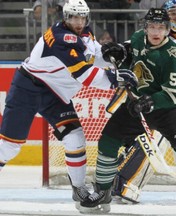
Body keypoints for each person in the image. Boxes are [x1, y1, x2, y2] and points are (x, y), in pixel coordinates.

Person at [78, 7, 176, 215]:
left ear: (168, 30)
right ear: (145, 27)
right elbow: (127, 55)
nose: (155, 31)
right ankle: (103, 192)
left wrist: (148, 102)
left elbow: (171, 93)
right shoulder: (137, 39)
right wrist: (115, 53)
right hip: (136, 104)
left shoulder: (174, 55)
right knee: (108, 140)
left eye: (160, 27)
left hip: (169, 109)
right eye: (152, 26)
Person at [0, 0, 137, 210]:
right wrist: (117, 77)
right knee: (10, 146)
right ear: (66, 18)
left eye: (82, 17)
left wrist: (110, 55)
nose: (79, 21)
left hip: (54, 94)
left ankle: (79, 189)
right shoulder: (62, 38)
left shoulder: (84, 32)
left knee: (74, 136)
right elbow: (84, 74)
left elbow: (93, 55)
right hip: (27, 88)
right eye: (74, 17)